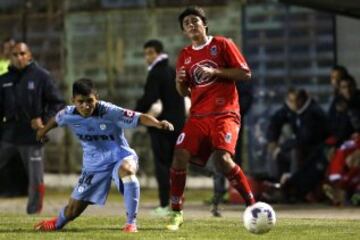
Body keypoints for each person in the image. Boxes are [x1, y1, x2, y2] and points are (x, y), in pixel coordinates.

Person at [34, 78, 174, 233]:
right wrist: (42, 132)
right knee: (72, 211)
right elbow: (55, 120)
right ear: (73, 100)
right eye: (80, 101)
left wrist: (158, 123)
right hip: (93, 165)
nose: (86, 106)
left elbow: (139, 116)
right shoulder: (67, 114)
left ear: (97, 98)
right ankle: (56, 223)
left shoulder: (109, 111)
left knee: (126, 170)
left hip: (120, 156)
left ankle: (131, 223)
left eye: (90, 101)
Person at [166, 6, 255, 231]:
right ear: (184, 31)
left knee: (223, 161)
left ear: (204, 24)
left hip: (225, 112)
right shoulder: (184, 55)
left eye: (195, 20)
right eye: (186, 23)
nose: (191, 25)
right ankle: (176, 213)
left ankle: (252, 205)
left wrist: (215, 72)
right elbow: (184, 92)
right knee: (179, 155)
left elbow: (245, 73)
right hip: (198, 115)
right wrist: (179, 82)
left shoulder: (223, 44)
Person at [0, 42, 64, 214]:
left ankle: (34, 211)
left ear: (29, 55)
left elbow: (57, 103)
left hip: (32, 136)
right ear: (10, 57)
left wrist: (43, 121)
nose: (18, 57)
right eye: (15, 54)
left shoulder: (41, 76)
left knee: (36, 177)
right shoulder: (4, 79)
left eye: (22, 54)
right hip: (8, 134)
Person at [135, 39, 185, 216]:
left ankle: (165, 205)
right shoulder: (171, 70)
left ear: (156, 53)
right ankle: (176, 202)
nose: (146, 57)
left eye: (149, 53)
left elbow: (149, 97)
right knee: (175, 165)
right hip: (178, 124)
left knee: (162, 165)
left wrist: (134, 113)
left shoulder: (156, 72)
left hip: (161, 126)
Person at [265, 89, 329, 202]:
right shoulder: (293, 109)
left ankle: (292, 188)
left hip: (315, 152)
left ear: (302, 100)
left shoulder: (313, 113)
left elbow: (305, 139)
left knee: (294, 151)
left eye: (294, 100)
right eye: (289, 100)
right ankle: (277, 184)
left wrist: (282, 147)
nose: (291, 104)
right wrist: (272, 141)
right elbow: (275, 121)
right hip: (301, 147)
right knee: (275, 151)